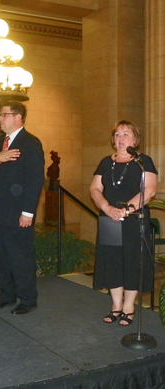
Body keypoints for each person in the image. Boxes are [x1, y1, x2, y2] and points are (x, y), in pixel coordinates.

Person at [0, 101, 44, 315]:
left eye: (4, 115)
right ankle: (6, 295)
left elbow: (34, 180)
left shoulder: (30, 143)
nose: (0, 118)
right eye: (0, 115)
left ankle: (27, 298)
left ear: (18, 117)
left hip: (18, 213)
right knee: (1, 256)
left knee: (20, 256)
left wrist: (28, 212)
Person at [90, 120, 157, 326]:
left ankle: (129, 307)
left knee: (132, 262)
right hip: (110, 218)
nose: (120, 139)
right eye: (117, 135)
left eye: (126, 134)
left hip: (134, 219)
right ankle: (116, 305)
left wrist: (126, 210)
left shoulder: (143, 161)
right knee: (113, 262)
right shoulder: (105, 162)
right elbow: (94, 189)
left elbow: (150, 189)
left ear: (135, 140)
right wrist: (107, 208)